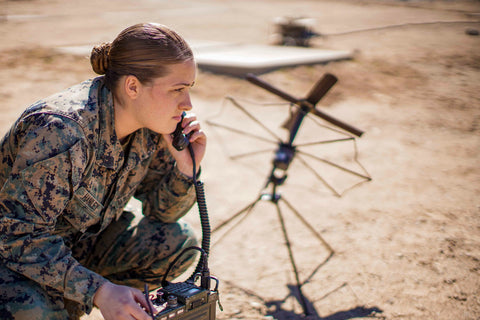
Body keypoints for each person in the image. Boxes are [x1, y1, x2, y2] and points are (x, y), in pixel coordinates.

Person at [0, 22, 206, 320]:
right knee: (34, 312)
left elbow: (163, 215)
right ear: (132, 86)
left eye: (189, 89)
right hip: (11, 256)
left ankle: (77, 305)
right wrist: (98, 290)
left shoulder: (151, 125)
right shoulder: (61, 130)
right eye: (177, 90)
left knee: (176, 242)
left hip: (73, 246)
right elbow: (17, 236)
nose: (187, 104)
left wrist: (187, 169)